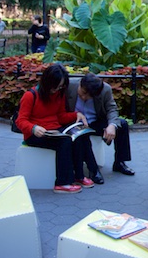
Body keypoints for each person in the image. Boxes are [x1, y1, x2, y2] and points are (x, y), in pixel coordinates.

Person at [15, 64, 92, 194]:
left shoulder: (58, 94)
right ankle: (62, 182)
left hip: (55, 130)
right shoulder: (30, 96)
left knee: (77, 138)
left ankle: (78, 175)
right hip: (36, 134)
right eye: (55, 86)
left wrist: (75, 115)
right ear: (47, 82)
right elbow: (20, 120)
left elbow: (60, 116)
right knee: (65, 142)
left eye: (60, 86)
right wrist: (33, 128)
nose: (57, 89)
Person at [66, 73, 135, 179]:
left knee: (123, 125)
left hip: (95, 121)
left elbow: (111, 108)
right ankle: (93, 169)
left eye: (88, 96)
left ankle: (120, 162)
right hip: (74, 122)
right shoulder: (70, 85)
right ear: (80, 84)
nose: (84, 97)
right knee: (82, 135)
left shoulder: (105, 90)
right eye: (82, 93)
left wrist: (112, 125)